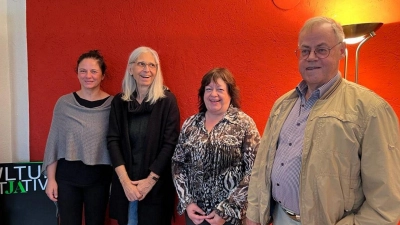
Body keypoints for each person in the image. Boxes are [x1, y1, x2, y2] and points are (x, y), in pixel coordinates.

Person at [246, 16, 400, 225]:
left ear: (342, 50)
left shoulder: (371, 110)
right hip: (279, 217)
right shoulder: (282, 105)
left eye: (321, 49)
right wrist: (254, 215)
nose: (311, 57)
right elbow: (261, 167)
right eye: (305, 50)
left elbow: (386, 202)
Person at [172, 67, 260, 225]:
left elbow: (255, 171)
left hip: (230, 217)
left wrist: (226, 210)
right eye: (208, 89)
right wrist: (187, 202)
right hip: (196, 215)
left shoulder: (244, 124)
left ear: (230, 94)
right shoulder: (190, 124)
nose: (213, 94)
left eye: (220, 89)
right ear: (202, 94)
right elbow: (178, 164)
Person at [107, 46, 180, 225]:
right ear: (131, 69)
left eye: (152, 65)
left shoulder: (167, 101)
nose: (147, 70)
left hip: (156, 187)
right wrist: (125, 182)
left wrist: (149, 181)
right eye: (141, 64)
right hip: (126, 185)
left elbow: (170, 144)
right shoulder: (120, 102)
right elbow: (112, 140)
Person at [42, 50, 113, 225]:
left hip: (99, 180)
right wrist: (50, 180)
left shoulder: (113, 105)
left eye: (94, 71)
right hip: (67, 180)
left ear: (103, 75)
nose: (88, 75)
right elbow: (54, 143)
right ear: (77, 73)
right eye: (83, 71)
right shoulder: (64, 104)